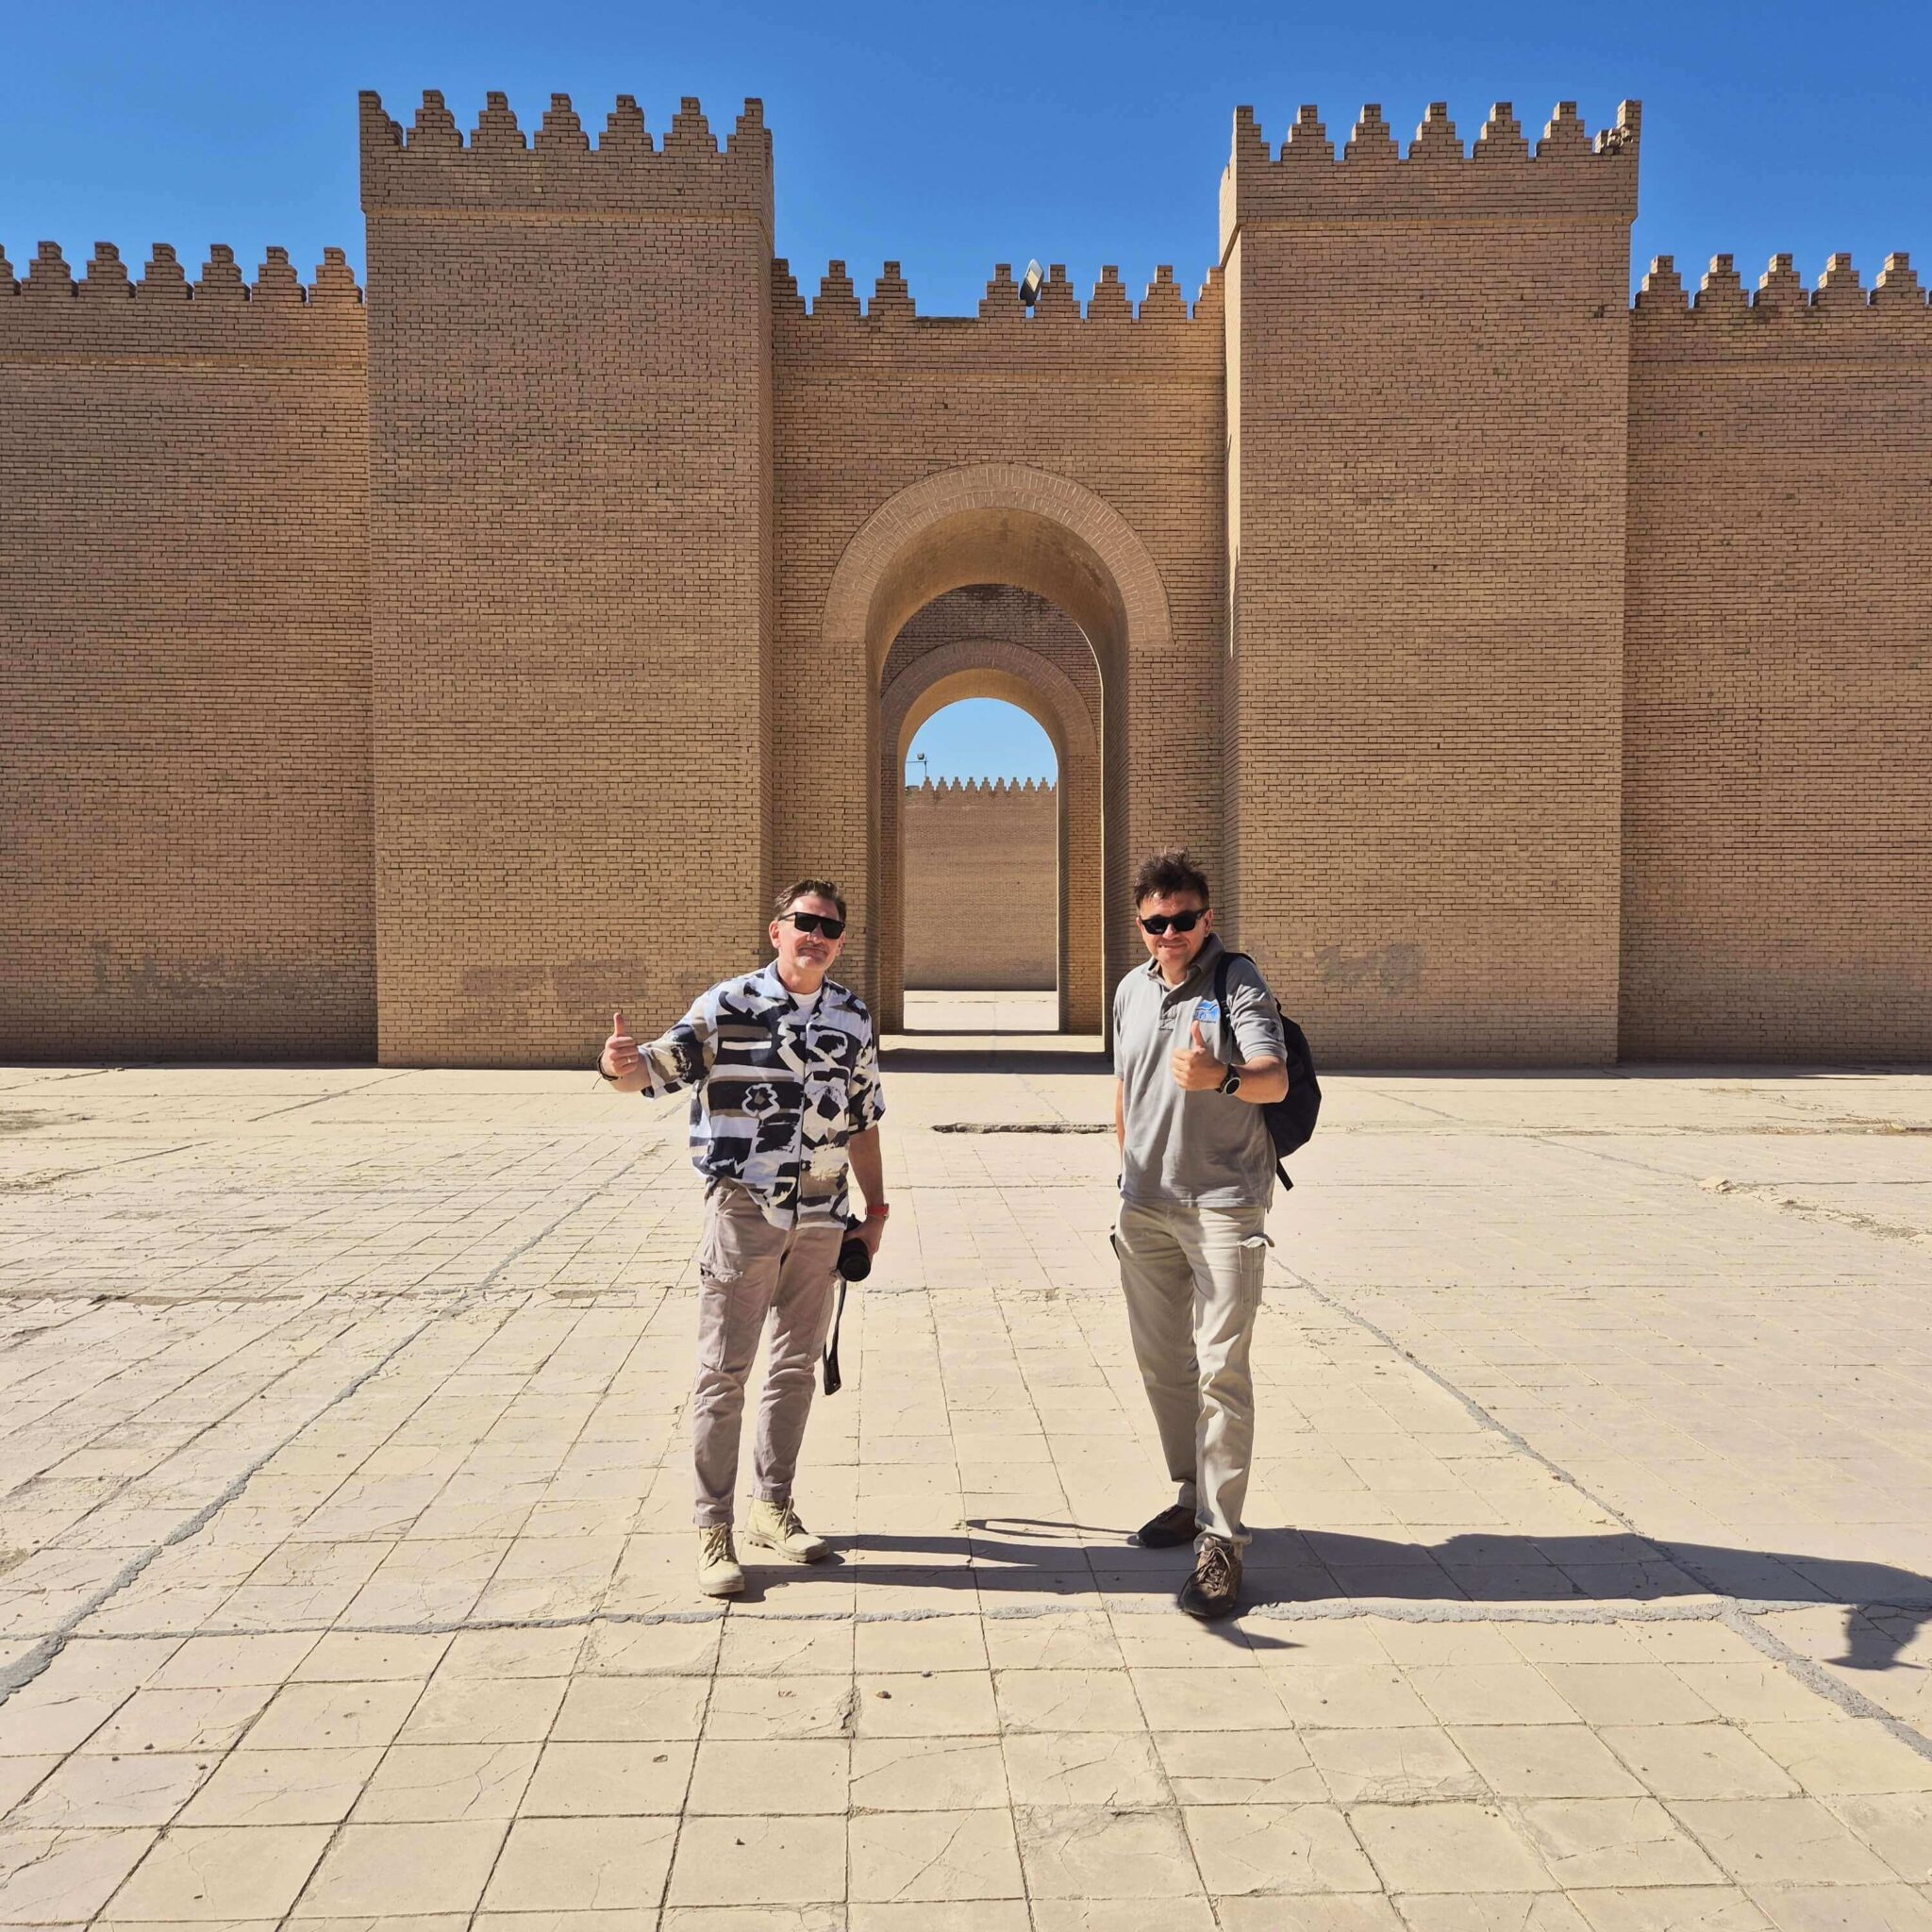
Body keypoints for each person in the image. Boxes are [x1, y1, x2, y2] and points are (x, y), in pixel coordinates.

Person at [599, 880, 888, 1597]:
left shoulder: (851, 1016)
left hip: (822, 1215)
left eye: (830, 928)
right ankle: (713, 1528)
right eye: (804, 922)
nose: (816, 936)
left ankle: (773, 1507)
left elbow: (863, 1119)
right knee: (723, 1374)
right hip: (745, 1211)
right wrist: (616, 1065)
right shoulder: (727, 1006)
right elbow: (648, 1073)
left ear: (840, 942)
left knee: (794, 1368)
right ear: (776, 930)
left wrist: (875, 1211)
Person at [1111, 849, 1289, 1619]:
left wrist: (1221, 1077)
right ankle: (1191, 1496)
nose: (1170, 934)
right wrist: (1127, 1170)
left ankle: (1221, 1542)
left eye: (1183, 920)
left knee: (1221, 1372)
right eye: (1156, 923)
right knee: (1163, 1366)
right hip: (1144, 1206)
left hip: (1223, 1205)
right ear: (1141, 925)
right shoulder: (1129, 990)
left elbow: (1274, 1078)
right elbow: (1125, 1087)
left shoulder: (1236, 981)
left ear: (1206, 918)